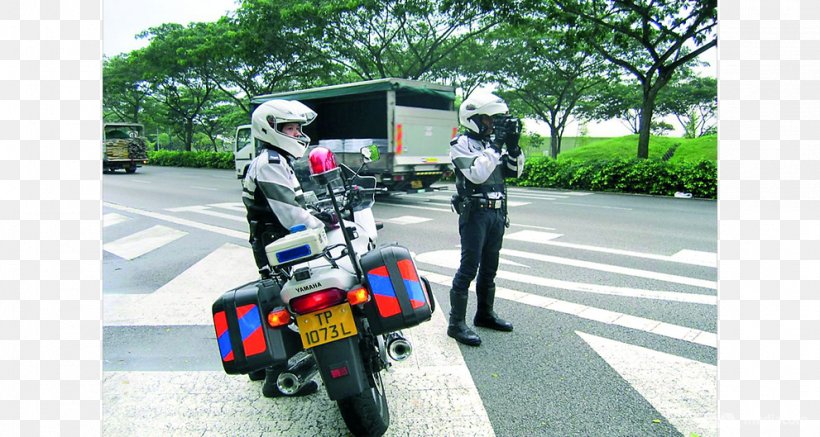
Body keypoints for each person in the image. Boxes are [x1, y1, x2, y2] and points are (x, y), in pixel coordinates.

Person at [241, 99, 325, 397]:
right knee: (286, 306)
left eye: (297, 128)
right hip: (277, 243)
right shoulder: (271, 163)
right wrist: (321, 225)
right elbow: (290, 214)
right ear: (270, 129)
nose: (296, 134)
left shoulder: (276, 160)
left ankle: (260, 365)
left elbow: (297, 199)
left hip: (276, 241)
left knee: (277, 300)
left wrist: (320, 206)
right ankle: (274, 381)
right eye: (290, 128)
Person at [446, 92, 525, 346]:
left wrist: (513, 146)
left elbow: (515, 172)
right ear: (473, 119)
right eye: (488, 119)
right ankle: (456, 323)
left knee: (490, 268)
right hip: (475, 214)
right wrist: (496, 146)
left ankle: (484, 314)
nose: (492, 124)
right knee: (469, 268)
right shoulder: (460, 144)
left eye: (494, 120)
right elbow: (477, 173)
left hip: (497, 213)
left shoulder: (493, 146)